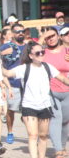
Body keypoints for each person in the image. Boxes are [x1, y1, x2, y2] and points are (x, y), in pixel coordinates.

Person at [2, 41, 69, 158]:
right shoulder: (24, 68)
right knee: (33, 135)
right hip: (29, 106)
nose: (41, 54)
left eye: (43, 52)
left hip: (45, 106)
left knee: (43, 136)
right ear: (31, 55)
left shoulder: (48, 67)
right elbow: (7, 73)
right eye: (38, 53)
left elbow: (63, 79)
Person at [41, 27, 69, 158]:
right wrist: (41, 37)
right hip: (50, 91)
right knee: (55, 118)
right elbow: (27, 53)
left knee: (65, 120)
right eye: (47, 37)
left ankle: (63, 146)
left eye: (52, 35)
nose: (50, 39)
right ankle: (57, 149)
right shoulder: (42, 53)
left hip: (67, 91)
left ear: (58, 36)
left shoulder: (67, 50)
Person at [0, 23, 26, 144]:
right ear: (12, 33)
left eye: (22, 31)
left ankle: (31, 132)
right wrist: (2, 53)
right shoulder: (6, 46)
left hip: (27, 84)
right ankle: (10, 132)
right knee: (11, 110)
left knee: (29, 110)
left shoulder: (29, 46)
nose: (20, 33)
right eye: (17, 31)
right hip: (12, 84)